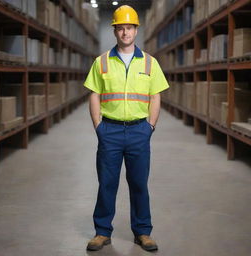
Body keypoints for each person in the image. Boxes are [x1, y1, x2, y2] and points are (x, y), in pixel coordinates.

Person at [84, 5, 169, 252]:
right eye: (120, 28)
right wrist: (98, 126)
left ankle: (143, 232)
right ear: (115, 31)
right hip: (109, 131)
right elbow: (94, 94)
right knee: (107, 183)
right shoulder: (101, 62)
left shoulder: (150, 63)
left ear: (135, 30)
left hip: (138, 132)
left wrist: (150, 126)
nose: (125, 33)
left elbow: (156, 96)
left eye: (129, 28)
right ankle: (102, 232)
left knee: (139, 183)